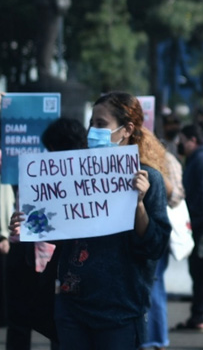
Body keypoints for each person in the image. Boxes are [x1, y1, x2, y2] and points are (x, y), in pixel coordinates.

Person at [12, 93, 171, 349]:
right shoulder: (75, 172)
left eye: (100, 124)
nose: (91, 131)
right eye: (91, 123)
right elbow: (67, 230)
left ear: (127, 130)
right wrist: (30, 226)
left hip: (119, 311)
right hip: (72, 306)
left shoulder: (149, 179)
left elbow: (154, 246)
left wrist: (138, 204)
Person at [5, 117, 86, 350]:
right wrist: (22, 224)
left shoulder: (43, 171)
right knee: (52, 320)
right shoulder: (38, 172)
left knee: (51, 320)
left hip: (51, 257)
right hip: (38, 254)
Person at [141, 149, 185, 350]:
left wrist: (157, 178)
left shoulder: (164, 160)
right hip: (142, 233)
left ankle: (156, 339)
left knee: (155, 285)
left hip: (155, 231)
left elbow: (176, 196)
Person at [174, 123, 203, 333]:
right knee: (202, 272)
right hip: (197, 224)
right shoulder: (197, 158)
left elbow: (202, 195)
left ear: (193, 141)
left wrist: (195, 221)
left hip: (200, 225)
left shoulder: (202, 159)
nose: (179, 144)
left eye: (182, 140)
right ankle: (198, 316)